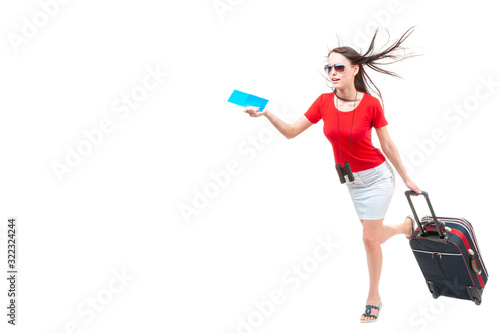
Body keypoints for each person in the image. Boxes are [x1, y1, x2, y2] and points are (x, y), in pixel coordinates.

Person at [243, 27, 422, 323]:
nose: (333, 72)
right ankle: (405, 227)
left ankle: (374, 296)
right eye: (329, 67)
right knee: (375, 236)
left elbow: (387, 144)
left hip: (378, 178)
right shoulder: (323, 102)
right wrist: (266, 114)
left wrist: (406, 177)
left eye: (339, 66)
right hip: (353, 184)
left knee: (367, 240)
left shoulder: (371, 104)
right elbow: (290, 132)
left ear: (355, 70)